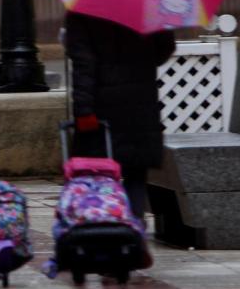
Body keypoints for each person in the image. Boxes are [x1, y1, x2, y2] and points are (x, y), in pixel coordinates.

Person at [64, 11, 175, 221]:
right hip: (140, 105)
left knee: (96, 178)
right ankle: (134, 234)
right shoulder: (150, 2)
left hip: (100, 109)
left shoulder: (82, 10)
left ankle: (101, 229)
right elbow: (164, 49)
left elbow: (83, 66)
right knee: (136, 175)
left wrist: (83, 110)